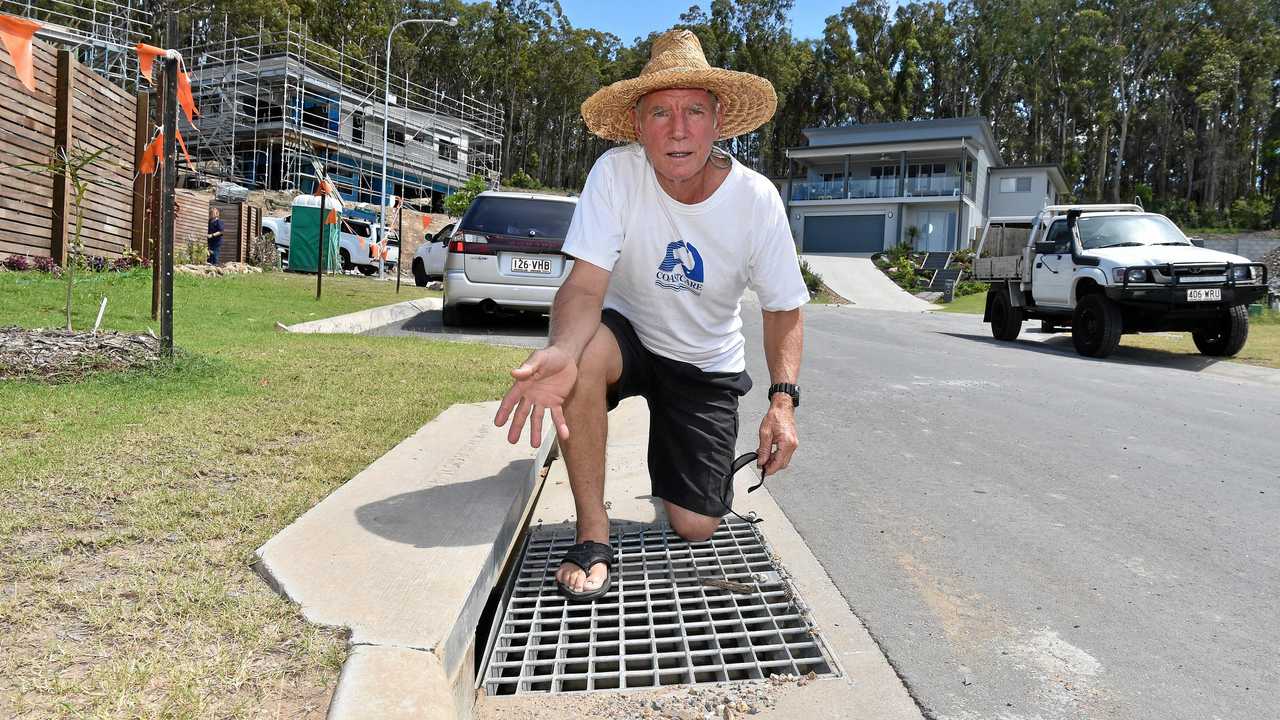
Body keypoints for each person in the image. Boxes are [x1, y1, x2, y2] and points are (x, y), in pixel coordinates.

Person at [494, 29, 807, 602]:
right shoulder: (615, 174)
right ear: (638, 125)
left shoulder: (756, 200)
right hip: (630, 335)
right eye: (660, 112)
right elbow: (585, 287)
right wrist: (561, 351)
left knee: (695, 525)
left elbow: (783, 306)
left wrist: (782, 403)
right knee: (582, 356)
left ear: (718, 121)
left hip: (705, 361)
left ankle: (679, 466)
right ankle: (593, 533)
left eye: (693, 111)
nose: (678, 129)